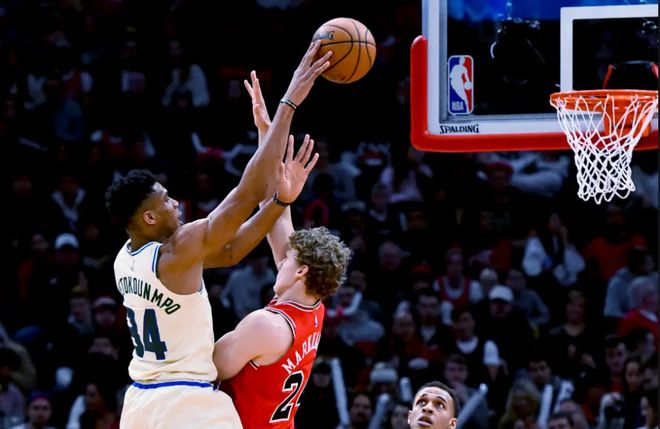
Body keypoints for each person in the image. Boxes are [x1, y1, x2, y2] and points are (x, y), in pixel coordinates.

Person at [104, 41, 332, 429]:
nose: (176, 203)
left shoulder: (126, 258)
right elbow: (246, 192)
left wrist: (280, 201)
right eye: (165, 201)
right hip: (185, 402)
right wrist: (288, 104)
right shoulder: (179, 250)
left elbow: (231, 252)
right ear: (149, 217)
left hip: (139, 403)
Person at [212, 70, 352, 428]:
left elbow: (209, 367)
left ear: (301, 270)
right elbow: (274, 214)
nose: (279, 256)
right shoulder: (312, 307)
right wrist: (267, 135)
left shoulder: (266, 325)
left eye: (288, 257)